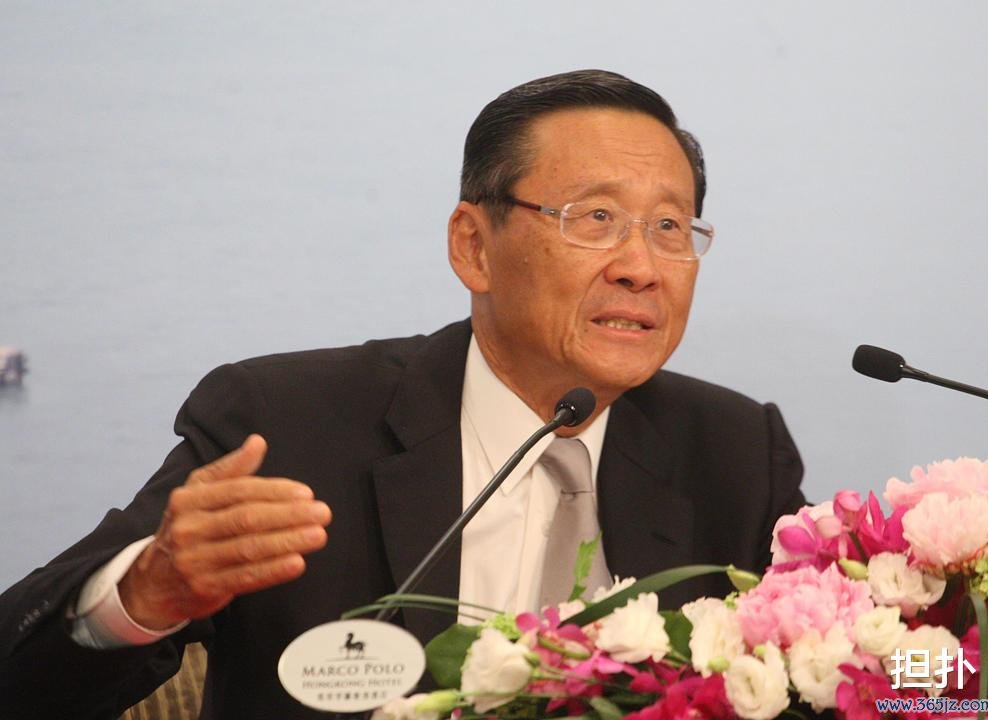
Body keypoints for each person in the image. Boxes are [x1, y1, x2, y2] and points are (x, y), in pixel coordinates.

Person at [0, 69, 806, 719]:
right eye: (596, 217)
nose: (642, 266)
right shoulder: (287, 427)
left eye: (670, 228)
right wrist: (142, 596)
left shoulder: (735, 454)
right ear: (473, 246)